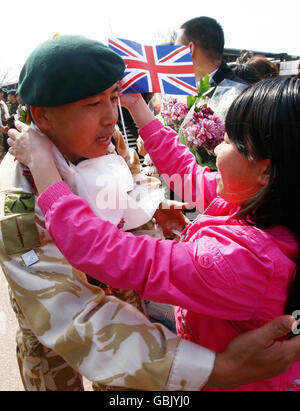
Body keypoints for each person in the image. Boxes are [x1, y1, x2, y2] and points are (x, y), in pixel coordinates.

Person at [9, 76, 300, 391]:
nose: (216, 146)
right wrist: (137, 107)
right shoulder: (264, 201)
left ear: (265, 170)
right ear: (43, 115)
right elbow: (186, 172)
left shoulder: (240, 261)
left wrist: (41, 164)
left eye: (228, 140)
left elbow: (107, 251)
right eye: (94, 103)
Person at [0, 35, 190, 391]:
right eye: (92, 103)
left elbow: (128, 180)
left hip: (115, 283)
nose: (110, 116)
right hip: (53, 311)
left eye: (114, 98)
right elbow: (64, 312)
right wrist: (200, 368)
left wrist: (151, 209)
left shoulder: (108, 140)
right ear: (42, 116)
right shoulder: (19, 190)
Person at [175, 16, 247, 88]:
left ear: (190, 50)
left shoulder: (236, 93)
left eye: (176, 49)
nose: (173, 55)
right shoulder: (179, 88)